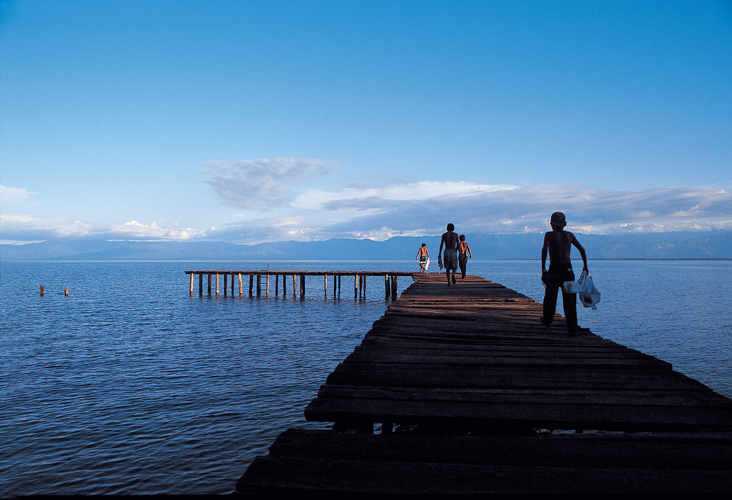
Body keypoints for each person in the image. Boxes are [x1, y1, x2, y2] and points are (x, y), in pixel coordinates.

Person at [540, 212, 588, 337]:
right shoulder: (569, 235)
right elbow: (582, 250)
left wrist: (543, 268)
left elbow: (544, 250)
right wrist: (585, 267)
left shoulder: (549, 235)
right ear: (565, 224)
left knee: (550, 297)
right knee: (570, 300)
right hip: (567, 270)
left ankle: (547, 321)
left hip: (554, 270)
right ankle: (572, 328)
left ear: (551, 224)